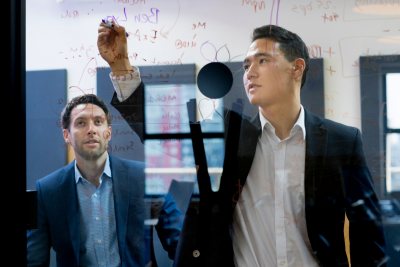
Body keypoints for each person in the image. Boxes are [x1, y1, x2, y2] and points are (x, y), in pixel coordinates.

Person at [97, 22, 388, 267]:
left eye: (263, 60)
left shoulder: (341, 141)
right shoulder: (228, 136)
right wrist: (122, 69)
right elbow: (163, 132)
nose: (249, 72)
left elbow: (368, 237)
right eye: (247, 64)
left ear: (297, 68)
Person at [26, 94, 182, 267]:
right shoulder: (47, 191)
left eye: (98, 122)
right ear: (66, 135)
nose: (91, 129)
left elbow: (181, 243)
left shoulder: (146, 178)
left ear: (108, 132)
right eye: (81, 123)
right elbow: (34, 260)